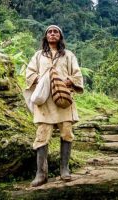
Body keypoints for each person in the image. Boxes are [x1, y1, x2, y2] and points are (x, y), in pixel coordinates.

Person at [25, 25, 84, 187]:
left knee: (66, 133)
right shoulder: (38, 56)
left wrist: (66, 81)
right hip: (44, 103)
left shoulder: (69, 55)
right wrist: (43, 80)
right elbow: (29, 74)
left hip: (63, 100)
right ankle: (41, 174)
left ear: (60, 36)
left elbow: (77, 75)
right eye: (49, 32)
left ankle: (64, 169)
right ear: (45, 37)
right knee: (42, 135)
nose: (52, 34)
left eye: (55, 32)